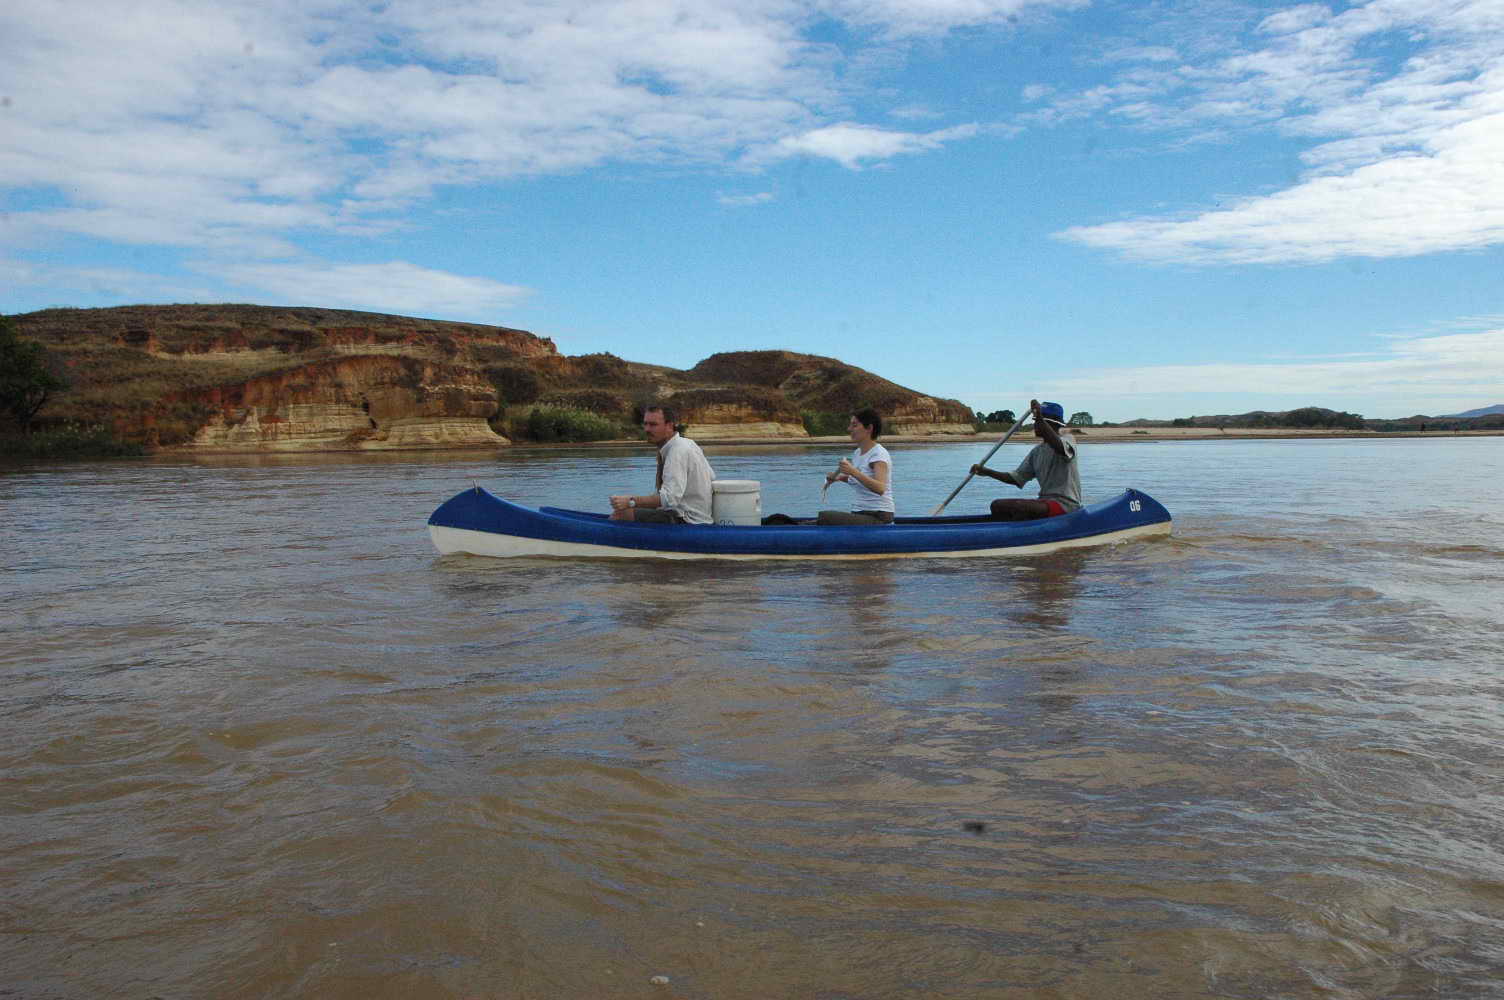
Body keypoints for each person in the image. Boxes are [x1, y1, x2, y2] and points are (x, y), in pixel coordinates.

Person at [970, 399, 1081, 520]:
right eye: (1035, 421)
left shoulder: (1068, 439)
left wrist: (1039, 416)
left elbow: (1059, 447)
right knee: (997, 505)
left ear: (1051, 424)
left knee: (1019, 507)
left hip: (1065, 505)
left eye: (1038, 422)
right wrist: (986, 471)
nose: (1035, 425)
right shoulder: (1037, 452)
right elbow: (1016, 478)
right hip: (1045, 501)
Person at [609, 404, 715, 524]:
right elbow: (711, 476)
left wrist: (630, 501)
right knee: (627, 510)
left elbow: (669, 499)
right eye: (645, 424)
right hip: (694, 516)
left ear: (669, 426)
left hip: (688, 520)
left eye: (653, 424)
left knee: (621, 514)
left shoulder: (677, 451)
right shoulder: (687, 443)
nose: (647, 429)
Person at [817, 408, 895, 525]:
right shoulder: (858, 453)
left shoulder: (878, 454)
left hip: (879, 516)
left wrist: (853, 471)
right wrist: (839, 478)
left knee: (825, 516)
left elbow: (880, 488)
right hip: (860, 513)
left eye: (854, 425)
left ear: (869, 428)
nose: (849, 429)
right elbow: (858, 479)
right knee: (821, 519)